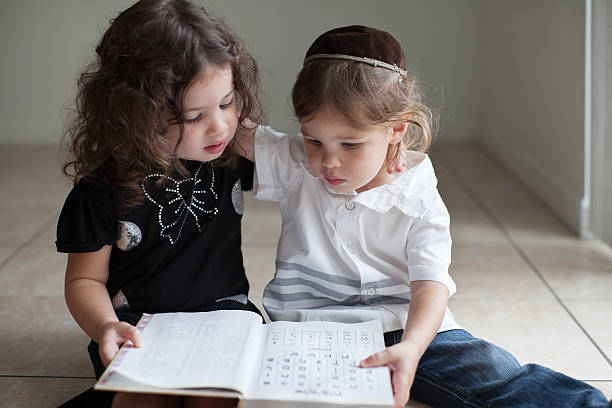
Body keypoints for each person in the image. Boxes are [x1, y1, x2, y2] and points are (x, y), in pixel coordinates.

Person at [234, 25, 611, 408]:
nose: (328, 161)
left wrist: (413, 348)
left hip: (403, 328)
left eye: (350, 144)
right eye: (314, 140)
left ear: (396, 128)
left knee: (495, 375)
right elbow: (231, 130)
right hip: (307, 332)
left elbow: (430, 286)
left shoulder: (419, 198)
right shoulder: (297, 163)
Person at [56, 1, 264, 407]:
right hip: (137, 327)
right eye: (193, 116)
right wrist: (104, 327)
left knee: (216, 396)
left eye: (227, 103)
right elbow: (84, 281)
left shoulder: (228, 156)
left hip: (223, 318)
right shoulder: (102, 189)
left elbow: (304, 163)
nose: (219, 126)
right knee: (145, 401)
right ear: (139, 115)